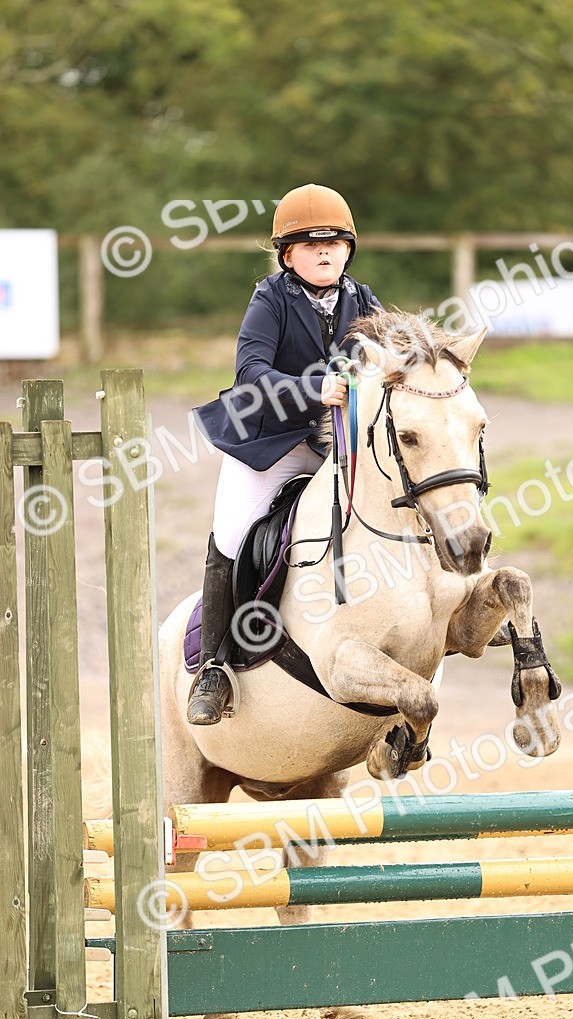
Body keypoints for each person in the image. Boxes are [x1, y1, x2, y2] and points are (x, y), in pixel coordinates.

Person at [188, 183, 381, 725]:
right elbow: (250, 374)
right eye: (311, 243)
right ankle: (214, 668)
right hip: (269, 447)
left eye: (335, 243)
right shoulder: (270, 299)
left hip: (332, 447)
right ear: (287, 254)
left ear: (348, 249)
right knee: (231, 533)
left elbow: (393, 359)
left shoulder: (364, 302)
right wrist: (312, 387)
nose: (325, 252)